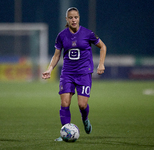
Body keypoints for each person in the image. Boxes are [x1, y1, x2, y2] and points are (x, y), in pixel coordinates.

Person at [42, 7, 107, 141]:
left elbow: (103, 46)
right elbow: (56, 55)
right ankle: (65, 132)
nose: (73, 20)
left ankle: (85, 118)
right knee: (65, 103)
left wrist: (101, 64)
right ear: (67, 19)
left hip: (84, 74)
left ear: (79, 18)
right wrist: (49, 69)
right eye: (70, 17)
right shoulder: (61, 35)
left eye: (75, 17)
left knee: (82, 105)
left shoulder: (88, 33)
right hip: (67, 74)